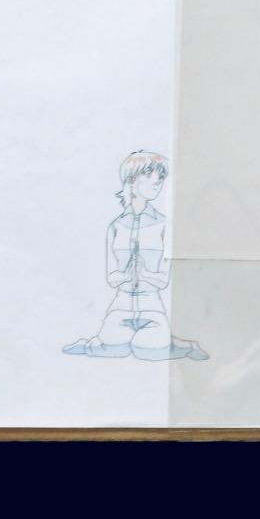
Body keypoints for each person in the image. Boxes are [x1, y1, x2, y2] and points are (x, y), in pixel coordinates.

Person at [63, 151, 208, 361]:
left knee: (147, 351)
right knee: (114, 349)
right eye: (149, 174)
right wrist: (128, 273)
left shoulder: (164, 225)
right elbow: (112, 278)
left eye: (160, 176)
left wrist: (144, 273)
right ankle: (89, 344)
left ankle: (184, 345)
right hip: (120, 307)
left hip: (152, 308)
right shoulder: (116, 226)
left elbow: (163, 280)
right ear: (131, 179)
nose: (157, 180)